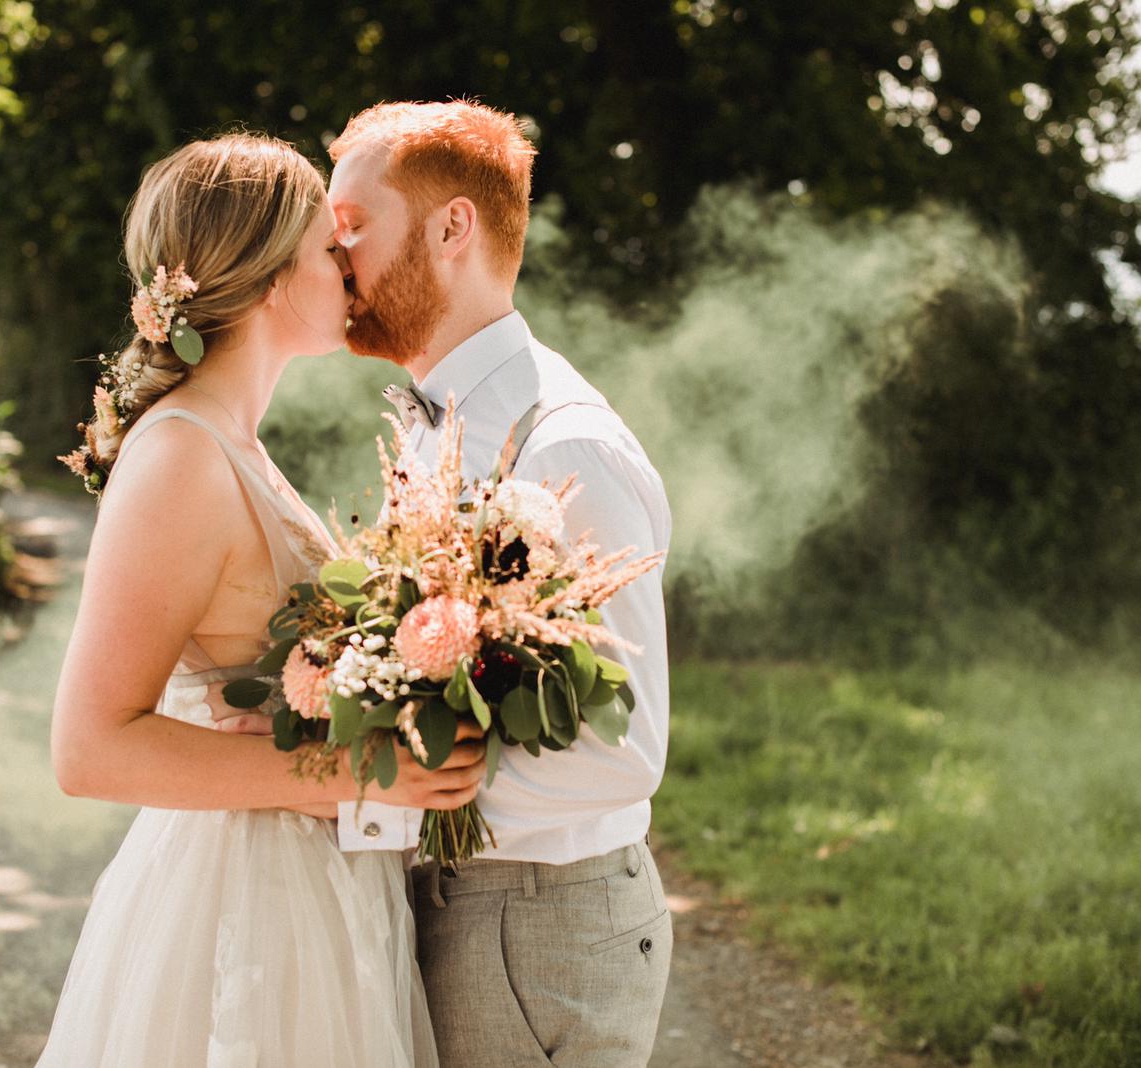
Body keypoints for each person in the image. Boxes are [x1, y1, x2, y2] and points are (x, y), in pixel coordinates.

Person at [37, 132, 479, 1067]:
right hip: (243, 909)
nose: (350, 271)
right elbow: (88, 748)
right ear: (275, 278)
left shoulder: (231, 442)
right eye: (331, 248)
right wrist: (360, 776)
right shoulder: (183, 457)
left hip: (309, 890)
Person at [328, 99, 675, 1066]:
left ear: (451, 228)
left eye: (352, 226)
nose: (332, 255)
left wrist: (396, 792)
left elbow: (625, 749)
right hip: (474, 902)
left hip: (539, 923)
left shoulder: (565, 446)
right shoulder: (444, 418)